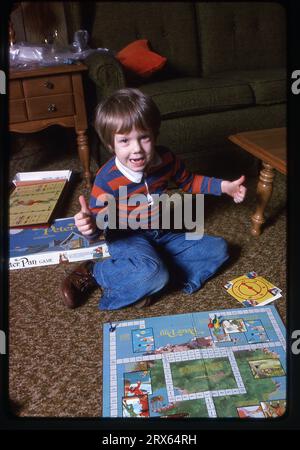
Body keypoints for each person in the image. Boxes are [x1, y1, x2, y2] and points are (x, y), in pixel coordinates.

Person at [61, 88, 246, 310]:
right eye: (124, 141)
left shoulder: (166, 158)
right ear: (111, 145)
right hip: (128, 237)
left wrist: (224, 186)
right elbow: (97, 225)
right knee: (152, 272)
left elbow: (189, 181)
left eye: (144, 138)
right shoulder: (106, 178)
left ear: (155, 134)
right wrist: (88, 226)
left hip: (163, 233)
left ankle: (154, 280)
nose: (137, 149)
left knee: (218, 249)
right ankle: (96, 272)